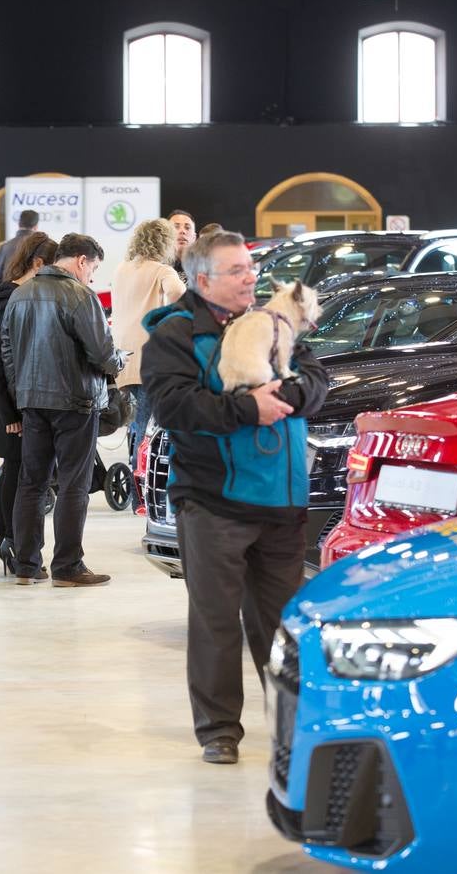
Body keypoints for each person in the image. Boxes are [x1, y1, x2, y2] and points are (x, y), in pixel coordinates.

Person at [140, 230, 329, 766]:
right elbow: (176, 407)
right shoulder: (175, 336)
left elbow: (317, 378)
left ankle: (294, 733)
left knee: (283, 627)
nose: (251, 277)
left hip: (283, 505)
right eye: (237, 271)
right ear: (202, 280)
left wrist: (284, 397)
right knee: (216, 623)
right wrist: (250, 410)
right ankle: (219, 731)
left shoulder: (272, 320)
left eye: (250, 268)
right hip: (214, 503)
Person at [0, 233, 124, 587]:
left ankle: (25, 564)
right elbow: (103, 354)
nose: (92, 277)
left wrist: (19, 390)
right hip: (76, 402)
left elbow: (7, 353)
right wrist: (118, 361)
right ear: (82, 261)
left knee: (32, 482)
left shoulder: (19, 295)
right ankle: (68, 566)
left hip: (31, 400)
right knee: (73, 484)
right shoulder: (81, 296)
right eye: (94, 268)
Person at [0, 232, 57, 576]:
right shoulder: (11, 298)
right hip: (10, 405)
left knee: (11, 470)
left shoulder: (13, 295)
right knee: (17, 472)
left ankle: (2, 537)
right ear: (38, 263)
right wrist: (11, 412)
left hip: (13, 402)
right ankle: (9, 538)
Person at [110, 219, 185, 474]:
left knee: (138, 421)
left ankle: (136, 480)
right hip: (149, 354)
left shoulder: (121, 268)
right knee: (145, 425)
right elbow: (178, 294)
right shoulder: (162, 271)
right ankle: (138, 490)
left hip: (121, 355)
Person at [0, 208, 39, 283]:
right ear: (36, 227)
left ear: (18, 224)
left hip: (9, 293)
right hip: (34, 292)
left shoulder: (5, 246)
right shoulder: (41, 245)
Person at [167, 209, 197, 278]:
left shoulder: (204, 267)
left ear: (194, 238)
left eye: (187, 228)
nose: (182, 231)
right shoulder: (157, 268)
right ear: (166, 235)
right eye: (176, 227)